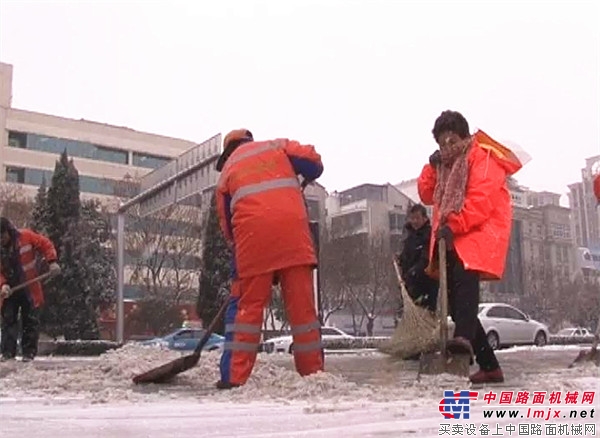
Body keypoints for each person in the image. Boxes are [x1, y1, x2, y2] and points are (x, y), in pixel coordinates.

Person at [418, 110, 523, 384]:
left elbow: (481, 200)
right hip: (452, 235)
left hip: (478, 232)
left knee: (464, 290)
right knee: (454, 303)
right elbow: (426, 194)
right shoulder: (445, 165)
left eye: (452, 140)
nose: (447, 147)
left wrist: (455, 225)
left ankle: (462, 339)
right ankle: (490, 366)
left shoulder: (482, 158)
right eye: (441, 143)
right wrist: (431, 168)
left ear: (464, 137)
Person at [214, 129, 324, 389]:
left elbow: (228, 228)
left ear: (228, 151)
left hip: (253, 240)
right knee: (303, 312)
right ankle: (314, 376)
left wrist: (242, 265)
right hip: (294, 237)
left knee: (246, 310)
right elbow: (314, 162)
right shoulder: (277, 147)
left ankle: (234, 378)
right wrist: (307, 175)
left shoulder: (227, 173)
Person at [0, 217, 60, 362]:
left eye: (2, 236)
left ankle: (28, 354)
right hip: (9, 290)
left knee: (30, 320)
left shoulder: (26, 237)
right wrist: (2, 285)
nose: (0, 239)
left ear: (8, 232)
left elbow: (45, 244)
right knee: (9, 320)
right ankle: (8, 353)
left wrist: (52, 261)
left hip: (30, 288)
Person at [398, 204, 438, 313]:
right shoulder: (409, 236)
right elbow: (406, 255)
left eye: (417, 218)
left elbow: (426, 259)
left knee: (425, 314)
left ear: (424, 218)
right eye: (412, 218)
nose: (414, 221)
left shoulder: (429, 235)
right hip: (410, 284)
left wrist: (413, 272)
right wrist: (400, 260)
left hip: (425, 284)